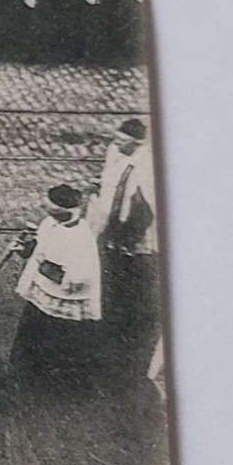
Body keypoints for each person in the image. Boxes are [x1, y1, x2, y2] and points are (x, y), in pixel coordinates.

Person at [9, 183, 104, 391]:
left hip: (61, 297)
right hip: (41, 292)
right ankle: (25, 372)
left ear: (64, 210)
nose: (46, 211)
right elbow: (40, 247)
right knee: (32, 330)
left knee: (56, 339)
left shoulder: (81, 238)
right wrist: (26, 248)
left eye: (50, 208)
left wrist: (44, 266)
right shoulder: (50, 222)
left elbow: (79, 278)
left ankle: (51, 383)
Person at [88, 117, 158, 383]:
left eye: (121, 141)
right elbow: (111, 182)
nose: (114, 143)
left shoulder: (146, 167)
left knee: (126, 287)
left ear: (137, 143)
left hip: (130, 235)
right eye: (115, 139)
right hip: (110, 230)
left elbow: (143, 208)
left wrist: (127, 237)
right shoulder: (116, 152)